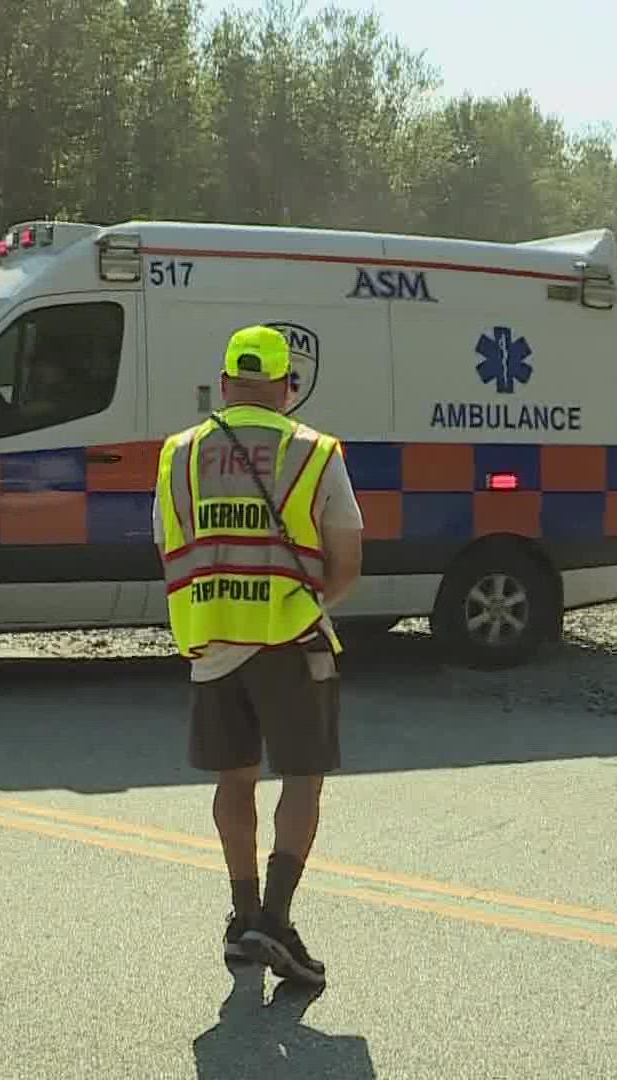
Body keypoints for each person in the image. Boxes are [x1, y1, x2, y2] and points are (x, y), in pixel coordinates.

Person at [151, 324, 365, 985]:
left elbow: (168, 545)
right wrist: (301, 604)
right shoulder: (314, 451)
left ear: (223, 385)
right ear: (287, 389)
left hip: (212, 640)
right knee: (302, 779)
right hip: (289, 639)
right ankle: (275, 921)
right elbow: (348, 558)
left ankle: (241, 919)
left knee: (233, 780)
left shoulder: (178, 453)